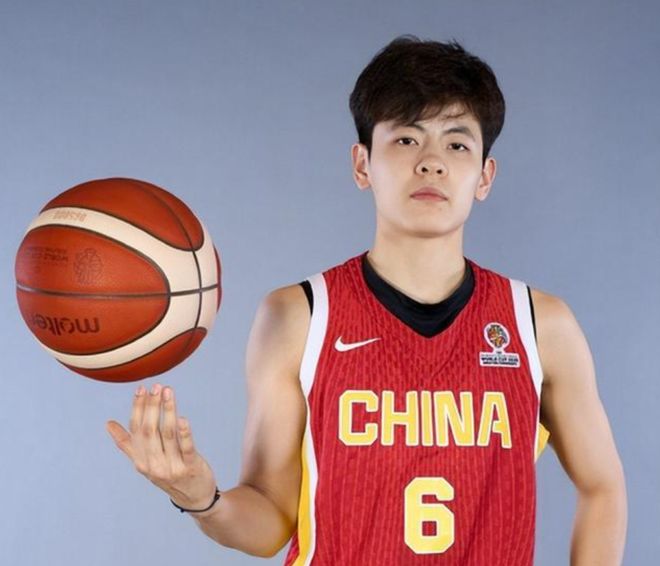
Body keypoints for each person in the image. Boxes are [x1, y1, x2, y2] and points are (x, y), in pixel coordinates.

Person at [106, 35, 627, 564]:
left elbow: (603, 488)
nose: (431, 163)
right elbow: (270, 521)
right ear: (362, 164)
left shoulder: (540, 325)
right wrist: (202, 499)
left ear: (484, 176)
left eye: (457, 145)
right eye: (406, 139)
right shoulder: (299, 317)